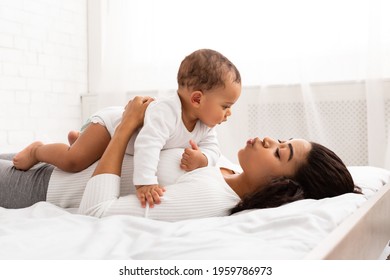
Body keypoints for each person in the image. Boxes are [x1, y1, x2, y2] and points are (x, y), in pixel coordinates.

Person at [0, 96, 361, 221]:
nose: (269, 139)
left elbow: (97, 212)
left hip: (40, 186)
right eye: (281, 140)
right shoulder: (222, 168)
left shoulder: (210, 198)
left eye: (280, 151)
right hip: (48, 165)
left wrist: (125, 127)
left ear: (282, 185)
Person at [12, 49, 242, 207]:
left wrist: (203, 159)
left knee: (89, 152)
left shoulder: (206, 125)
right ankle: (38, 150)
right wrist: (145, 181)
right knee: (75, 161)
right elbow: (147, 146)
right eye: (226, 106)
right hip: (111, 127)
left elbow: (214, 150)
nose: (229, 113)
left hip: (120, 141)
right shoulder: (166, 113)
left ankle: (80, 138)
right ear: (197, 99)